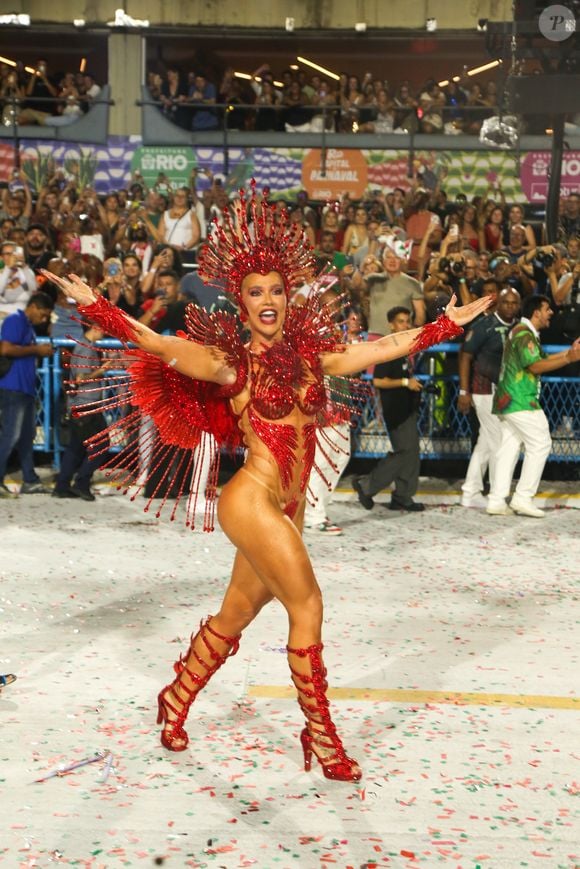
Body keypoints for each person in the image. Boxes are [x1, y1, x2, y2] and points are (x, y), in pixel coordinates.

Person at [42, 185, 489, 780]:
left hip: (291, 505)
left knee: (235, 614)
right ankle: (322, 739)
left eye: (277, 289)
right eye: (256, 292)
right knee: (307, 605)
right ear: (242, 302)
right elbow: (156, 341)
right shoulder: (232, 363)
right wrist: (97, 306)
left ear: (288, 294)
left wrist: (442, 325)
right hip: (251, 497)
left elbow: (381, 345)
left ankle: (175, 699)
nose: (269, 299)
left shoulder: (313, 356)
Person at [486, 294, 580, 518]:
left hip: (508, 399)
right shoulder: (524, 334)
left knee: (509, 448)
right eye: (547, 309)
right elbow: (536, 366)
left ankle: (497, 500)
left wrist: (569, 355)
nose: (551, 313)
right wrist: (569, 357)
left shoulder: (522, 332)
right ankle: (522, 498)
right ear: (536, 312)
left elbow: (541, 361)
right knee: (541, 444)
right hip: (520, 399)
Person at [352, 306, 425, 513]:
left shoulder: (400, 348)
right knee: (404, 453)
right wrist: (404, 382)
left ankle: (403, 496)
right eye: (401, 322)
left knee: (411, 453)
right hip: (396, 410)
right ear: (391, 325)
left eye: (407, 321)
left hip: (405, 407)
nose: (406, 325)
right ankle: (367, 485)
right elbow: (378, 381)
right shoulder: (389, 349)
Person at [458, 286, 521, 508]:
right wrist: (464, 392)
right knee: (498, 442)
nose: (510, 307)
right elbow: (465, 356)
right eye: (506, 302)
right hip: (484, 389)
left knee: (485, 442)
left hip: (503, 390)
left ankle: (470, 491)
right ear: (498, 303)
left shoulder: (518, 325)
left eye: (514, 303)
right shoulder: (484, 326)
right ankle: (497, 495)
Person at [0, 291, 54, 498]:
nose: (45, 319)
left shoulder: (28, 326)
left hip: (25, 389)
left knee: (24, 438)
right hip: (12, 388)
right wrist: (36, 350)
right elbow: (5, 349)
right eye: (44, 314)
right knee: (10, 437)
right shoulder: (15, 320)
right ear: (34, 306)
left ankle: (29, 480)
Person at [52, 323, 112, 501]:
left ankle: (62, 486)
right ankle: (81, 483)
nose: (106, 330)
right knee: (102, 445)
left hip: (80, 406)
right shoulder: (86, 349)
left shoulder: (85, 346)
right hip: (87, 406)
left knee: (76, 448)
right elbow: (80, 379)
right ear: (95, 326)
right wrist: (102, 370)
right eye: (104, 326)